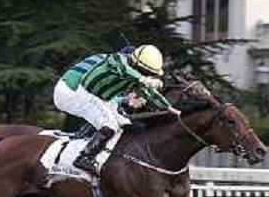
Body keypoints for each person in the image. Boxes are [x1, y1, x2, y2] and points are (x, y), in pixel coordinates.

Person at [53, 44, 179, 174]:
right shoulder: (115, 62)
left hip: (88, 94)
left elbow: (110, 93)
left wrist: (169, 108)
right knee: (109, 124)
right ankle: (84, 155)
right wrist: (125, 99)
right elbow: (96, 90)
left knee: (124, 122)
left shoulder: (120, 69)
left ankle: (105, 152)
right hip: (70, 91)